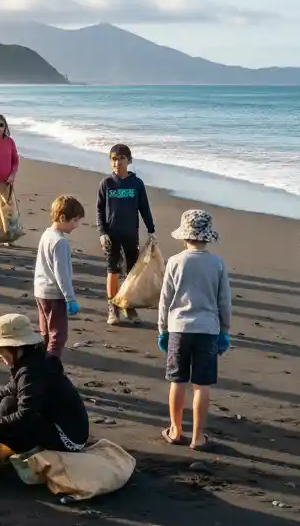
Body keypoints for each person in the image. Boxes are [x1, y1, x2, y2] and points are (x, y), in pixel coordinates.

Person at [0, 314, 90, 454]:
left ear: (14, 347)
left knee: (8, 409)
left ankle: (25, 449)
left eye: (0, 348)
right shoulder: (29, 359)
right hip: (57, 423)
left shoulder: (31, 371)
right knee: (7, 403)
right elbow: (10, 390)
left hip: (69, 439)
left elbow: (25, 415)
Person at [157, 210, 231, 451]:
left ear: (184, 236)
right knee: (202, 384)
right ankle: (198, 437)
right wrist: (224, 332)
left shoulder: (175, 261)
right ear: (207, 237)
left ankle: (176, 429)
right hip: (208, 329)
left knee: (177, 380)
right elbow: (224, 302)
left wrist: (163, 329)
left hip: (179, 328)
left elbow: (165, 300)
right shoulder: (217, 264)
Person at [97, 144, 156, 327]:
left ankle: (128, 305)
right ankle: (113, 306)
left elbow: (144, 208)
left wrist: (151, 230)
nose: (117, 163)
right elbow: (99, 210)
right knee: (112, 270)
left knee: (131, 271)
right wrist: (102, 233)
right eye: (114, 159)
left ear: (129, 161)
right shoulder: (107, 184)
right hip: (111, 235)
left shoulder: (136, 184)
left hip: (131, 234)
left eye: (121, 158)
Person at [34, 195, 85, 360]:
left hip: (40, 290)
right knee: (58, 334)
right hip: (54, 294)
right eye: (75, 221)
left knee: (45, 332)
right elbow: (61, 273)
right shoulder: (60, 242)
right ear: (63, 217)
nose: (76, 225)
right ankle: (51, 368)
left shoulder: (47, 234)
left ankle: (42, 362)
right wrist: (70, 298)